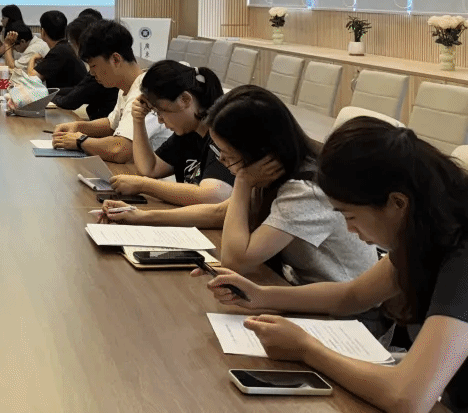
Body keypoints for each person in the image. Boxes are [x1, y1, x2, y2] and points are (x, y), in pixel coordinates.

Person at [200, 117, 468, 413]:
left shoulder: (461, 256)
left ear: (397, 203)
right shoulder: (425, 229)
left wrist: (307, 349)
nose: (349, 229)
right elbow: (352, 295)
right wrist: (261, 295)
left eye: (350, 216)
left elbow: (408, 398)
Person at [200, 85, 378, 284]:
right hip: (301, 288)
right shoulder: (272, 173)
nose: (222, 161)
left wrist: (242, 181)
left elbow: (235, 262)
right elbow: (220, 213)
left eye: (229, 155)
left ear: (260, 152)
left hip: (343, 300)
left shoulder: (306, 191)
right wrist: (166, 219)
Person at [97, 59, 234, 228]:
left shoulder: (222, 133)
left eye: (162, 112)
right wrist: (138, 120)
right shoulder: (188, 132)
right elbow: (150, 168)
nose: (160, 120)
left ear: (185, 99)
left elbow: (213, 197)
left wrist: (143, 185)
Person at [51, 19, 170, 162]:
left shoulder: (147, 92)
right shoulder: (126, 86)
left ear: (115, 59)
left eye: (93, 66)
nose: (92, 73)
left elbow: (120, 149)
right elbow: (111, 124)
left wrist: (80, 141)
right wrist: (77, 126)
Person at [51, 14, 118, 120]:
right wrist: (49, 93)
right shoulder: (99, 65)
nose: (92, 72)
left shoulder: (102, 68)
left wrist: (46, 96)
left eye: (71, 42)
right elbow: (77, 90)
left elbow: (70, 101)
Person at [30, 10, 87, 89]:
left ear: (43, 32)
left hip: (69, 95)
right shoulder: (65, 47)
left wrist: (33, 58)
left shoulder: (59, 51)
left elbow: (32, 79)